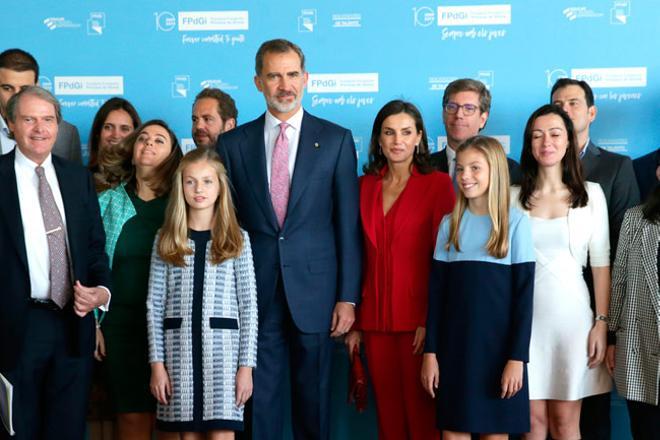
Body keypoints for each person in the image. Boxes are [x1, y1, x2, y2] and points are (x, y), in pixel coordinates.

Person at [217, 39, 362, 440]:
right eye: (275, 75)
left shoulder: (335, 140)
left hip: (317, 295)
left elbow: (347, 225)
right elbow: (225, 228)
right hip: (253, 294)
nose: (285, 85)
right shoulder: (233, 145)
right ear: (258, 81)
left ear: (306, 78)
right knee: (257, 404)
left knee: (313, 402)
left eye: (293, 74)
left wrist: (348, 297)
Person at [0, 86, 111, 439]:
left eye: (48, 120)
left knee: (67, 430)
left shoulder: (78, 179)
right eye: (29, 119)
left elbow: (95, 249)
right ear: (11, 124)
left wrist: (101, 293)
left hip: (72, 326)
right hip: (15, 328)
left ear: (58, 126)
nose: (39, 128)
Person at [344, 100, 454, 439]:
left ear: (419, 137)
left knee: (423, 421)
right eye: (389, 132)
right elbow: (354, 256)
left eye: (406, 132)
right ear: (378, 139)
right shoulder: (363, 186)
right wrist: (357, 321)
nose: (397, 141)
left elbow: (445, 262)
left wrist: (429, 322)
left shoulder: (438, 185)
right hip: (374, 324)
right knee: (389, 422)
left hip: (418, 325)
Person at [421, 136, 535, 439]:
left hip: (499, 354)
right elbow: (437, 297)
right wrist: (431, 352)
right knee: (452, 432)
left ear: (495, 171)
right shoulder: (450, 225)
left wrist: (516, 358)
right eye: (459, 169)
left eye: (475, 168)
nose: (465, 177)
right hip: (454, 351)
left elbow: (524, 301)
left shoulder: (516, 224)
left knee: (493, 434)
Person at [511, 104, 611, 440]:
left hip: (573, 320)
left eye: (555, 134)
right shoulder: (512, 199)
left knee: (566, 423)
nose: (546, 142)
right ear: (529, 145)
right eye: (537, 136)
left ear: (568, 141)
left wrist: (602, 324)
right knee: (531, 423)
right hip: (525, 320)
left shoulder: (592, 195)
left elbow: (600, 265)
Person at [147, 148, 258, 439]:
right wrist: (157, 365)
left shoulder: (237, 238)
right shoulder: (166, 238)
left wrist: (246, 367)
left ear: (220, 187)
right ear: (180, 186)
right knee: (185, 434)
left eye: (207, 181)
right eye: (190, 181)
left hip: (224, 357)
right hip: (177, 355)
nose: (198, 189)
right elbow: (154, 305)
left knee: (222, 433)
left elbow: (249, 307)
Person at [550, 78, 639, 440]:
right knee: (546, 415)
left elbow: (624, 247)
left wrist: (610, 325)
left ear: (591, 112)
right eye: (557, 104)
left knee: (592, 416)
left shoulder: (617, 167)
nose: (565, 110)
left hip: (595, 311)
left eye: (573, 103)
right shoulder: (532, 169)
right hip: (547, 311)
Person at [96, 120, 182, 440]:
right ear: (132, 152)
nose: (148, 143)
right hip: (120, 326)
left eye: (159, 140)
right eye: (142, 138)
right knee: (132, 418)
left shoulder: (184, 205)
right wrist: (94, 324)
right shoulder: (105, 203)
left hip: (174, 329)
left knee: (173, 420)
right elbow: (91, 266)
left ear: (172, 155)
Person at [606, 184, 660, 440]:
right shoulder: (635, 218)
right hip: (639, 346)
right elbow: (619, 282)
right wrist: (611, 336)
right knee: (645, 430)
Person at [429, 78, 521, 185]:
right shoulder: (422, 168)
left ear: (483, 119)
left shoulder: (508, 170)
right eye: (452, 107)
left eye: (469, 108)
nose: (459, 115)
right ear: (443, 115)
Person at [0, 48, 82, 163]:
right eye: (7, 88)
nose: (16, 96)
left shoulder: (67, 134)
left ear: (37, 86)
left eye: (25, 89)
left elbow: (73, 178)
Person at [88, 97, 141, 173]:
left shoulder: (143, 180)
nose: (116, 135)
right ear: (98, 133)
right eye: (108, 127)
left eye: (125, 129)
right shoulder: (84, 178)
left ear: (136, 135)